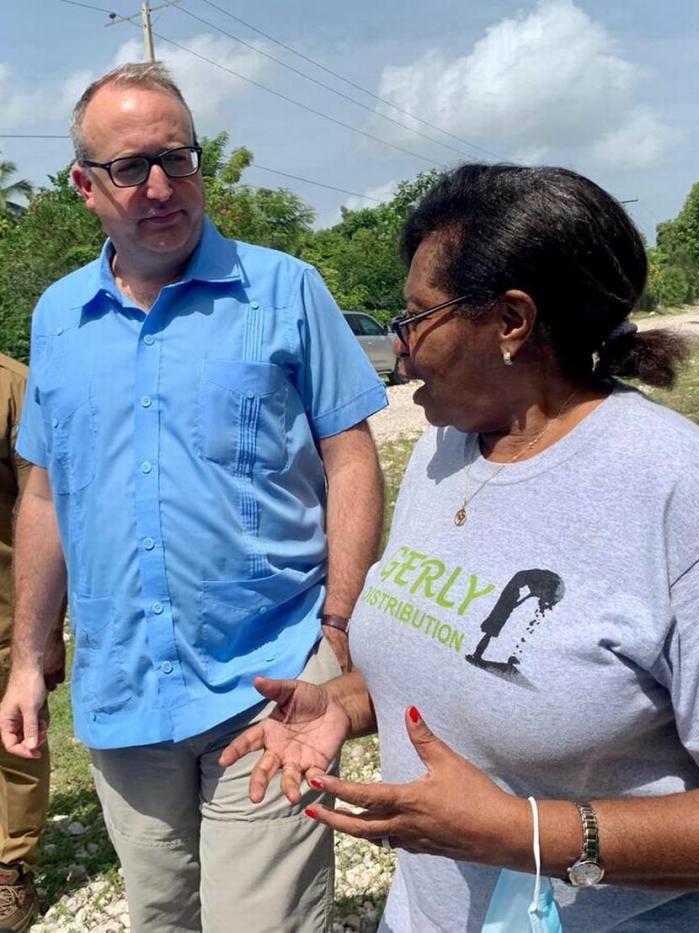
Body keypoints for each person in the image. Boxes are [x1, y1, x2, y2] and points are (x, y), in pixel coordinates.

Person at [222, 164, 699, 933]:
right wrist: (346, 704)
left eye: (418, 317)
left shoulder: (674, 489)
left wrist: (530, 834)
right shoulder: (443, 453)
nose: (401, 349)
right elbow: (454, 652)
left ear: (513, 321)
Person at [0, 63, 386, 932]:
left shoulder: (285, 290)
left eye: (180, 158)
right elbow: (45, 493)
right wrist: (30, 657)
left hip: (272, 675)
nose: (164, 187)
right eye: (131, 167)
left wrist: (338, 625)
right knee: (162, 915)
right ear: (84, 185)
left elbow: (352, 455)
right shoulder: (58, 318)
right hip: (123, 689)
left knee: (261, 921)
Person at [0, 352, 65, 933]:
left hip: (2, 617)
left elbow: (45, 511)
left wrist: (44, 636)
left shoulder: (13, 390)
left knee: (13, 748)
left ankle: (9, 868)